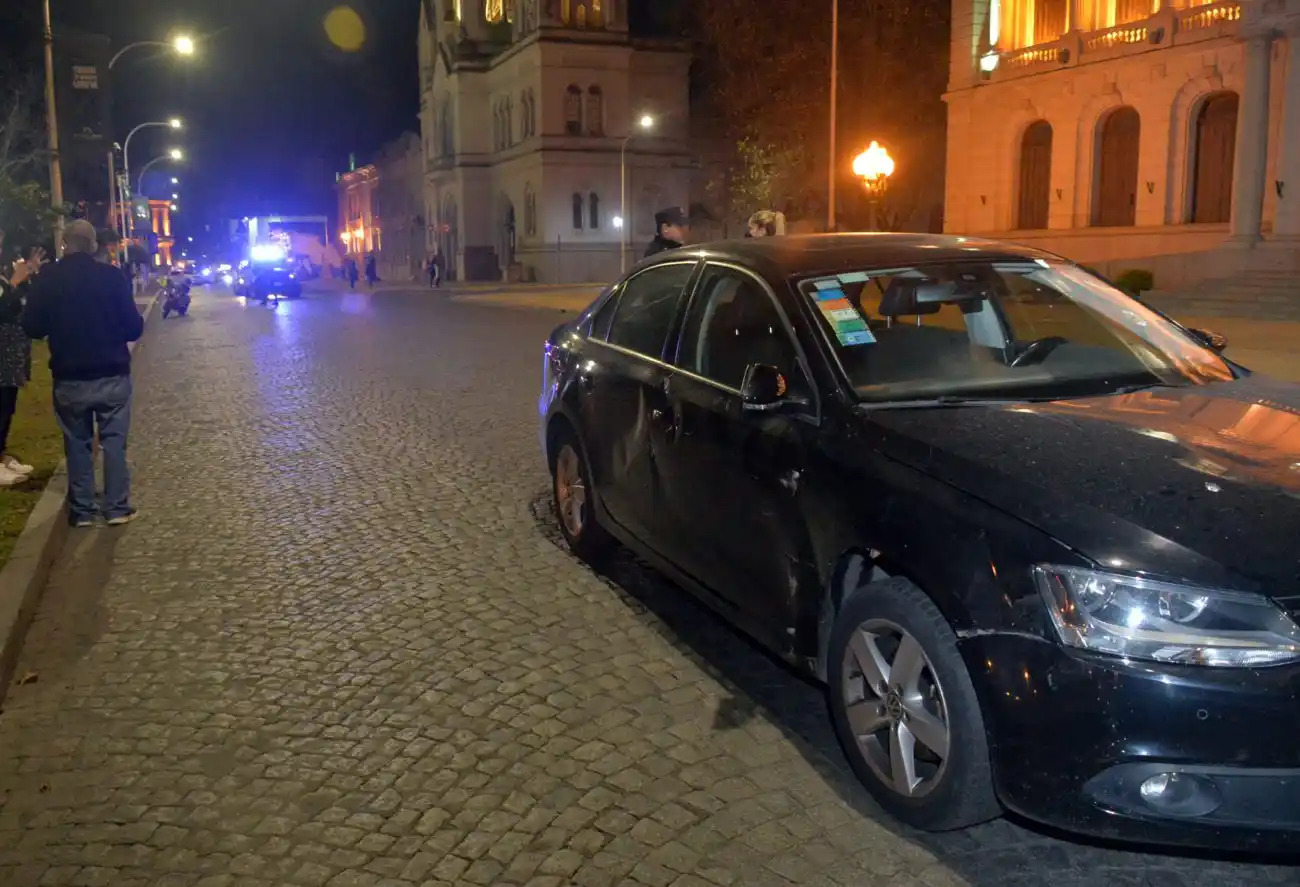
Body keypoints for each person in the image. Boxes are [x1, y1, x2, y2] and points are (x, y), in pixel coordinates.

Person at [22, 220, 144, 528]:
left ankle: (84, 510)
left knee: (77, 443)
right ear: (93, 246)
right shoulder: (112, 278)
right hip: (111, 373)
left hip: (69, 376)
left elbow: (32, 326)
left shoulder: (48, 278)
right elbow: (133, 327)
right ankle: (116, 508)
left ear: (65, 245)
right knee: (114, 442)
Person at [0, 230, 39, 486]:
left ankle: (2, 455)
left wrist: (26, 277)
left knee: (7, 404)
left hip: (10, 351)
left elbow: (14, 303)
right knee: (1, 406)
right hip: (2, 353)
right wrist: (14, 282)